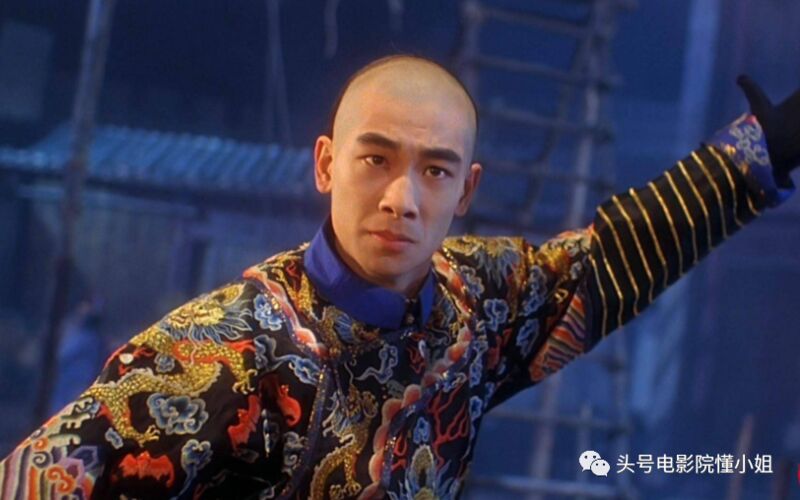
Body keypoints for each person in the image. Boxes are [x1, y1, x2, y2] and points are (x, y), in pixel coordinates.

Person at [1, 54, 797, 499]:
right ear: (326, 164)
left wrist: (767, 148)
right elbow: (38, 483)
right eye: (375, 158)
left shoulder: (479, 300)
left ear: (466, 190)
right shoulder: (221, 353)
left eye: (435, 171)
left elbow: (611, 256)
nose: (402, 199)